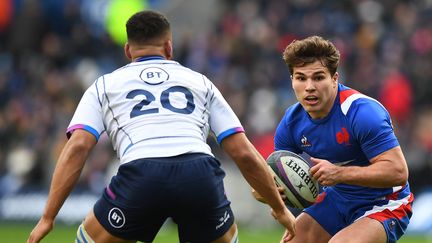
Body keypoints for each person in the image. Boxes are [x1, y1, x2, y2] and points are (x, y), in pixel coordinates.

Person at [27, 10, 296, 243]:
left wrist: (47, 218)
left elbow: (78, 147)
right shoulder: (200, 82)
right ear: (169, 47)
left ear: (127, 50)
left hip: (141, 175)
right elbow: (243, 152)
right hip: (199, 174)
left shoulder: (104, 86)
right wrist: (280, 209)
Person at [254, 35, 414, 243]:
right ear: (292, 81)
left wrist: (339, 173)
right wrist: (268, 192)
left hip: (385, 202)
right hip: (337, 198)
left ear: (335, 79)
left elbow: (398, 172)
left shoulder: (363, 113)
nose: (309, 86)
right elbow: (276, 175)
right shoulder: (291, 122)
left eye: (318, 77)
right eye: (301, 78)